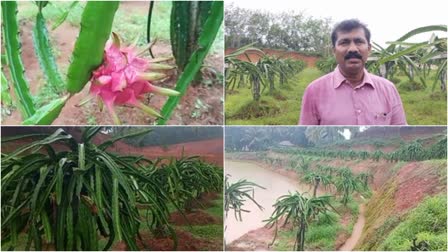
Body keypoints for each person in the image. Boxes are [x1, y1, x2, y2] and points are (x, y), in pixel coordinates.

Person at [299, 19, 407, 125]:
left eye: (359, 42)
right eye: (344, 43)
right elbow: (305, 138)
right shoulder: (314, 91)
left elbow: (402, 136)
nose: (353, 49)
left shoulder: (388, 89)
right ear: (334, 51)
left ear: (369, 49)